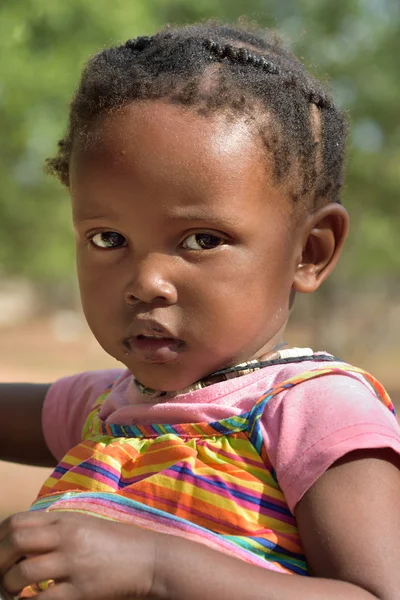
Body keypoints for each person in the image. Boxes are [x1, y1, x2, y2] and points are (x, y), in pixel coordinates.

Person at [1, 20, 400, 600]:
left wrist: (156, 569)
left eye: (202, 240)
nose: (147, 283)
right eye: (108, 239)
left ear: (309, 252)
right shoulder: (109, 406)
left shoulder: (315, 412)